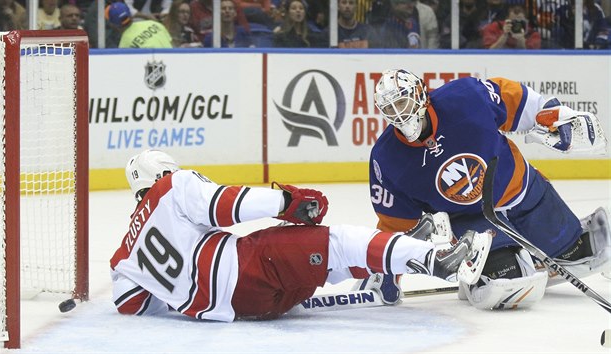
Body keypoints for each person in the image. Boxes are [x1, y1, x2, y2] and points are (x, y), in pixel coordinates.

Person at [109, 149, 492, 321]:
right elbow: (223, 203)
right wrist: (284, 200)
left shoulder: (123, 256)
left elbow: (131, 305)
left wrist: (183, 295)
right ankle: (435, 260)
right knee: (335, 241)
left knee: (308, 257)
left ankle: (389, 261)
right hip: (249, 271)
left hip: (248, 309)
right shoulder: (172, 186)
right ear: (162, 174)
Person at [367, 68, 610, 311]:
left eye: (402, 101)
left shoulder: (466, 97)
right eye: (389, 108)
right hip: (473, 222)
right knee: (508, 282)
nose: (398, 112)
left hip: (520, 190)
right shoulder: (385, 158)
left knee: (582, 253)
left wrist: (559, 115)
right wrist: (384, 267)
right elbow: (395, 225)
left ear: (421, 94)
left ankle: (539, 255)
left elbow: (519, 102)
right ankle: (495, 264)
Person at [105, 1, 173, 48]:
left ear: (113, 24)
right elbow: (171, 43)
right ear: (131, 16)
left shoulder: (124, 44)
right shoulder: (154, 23)